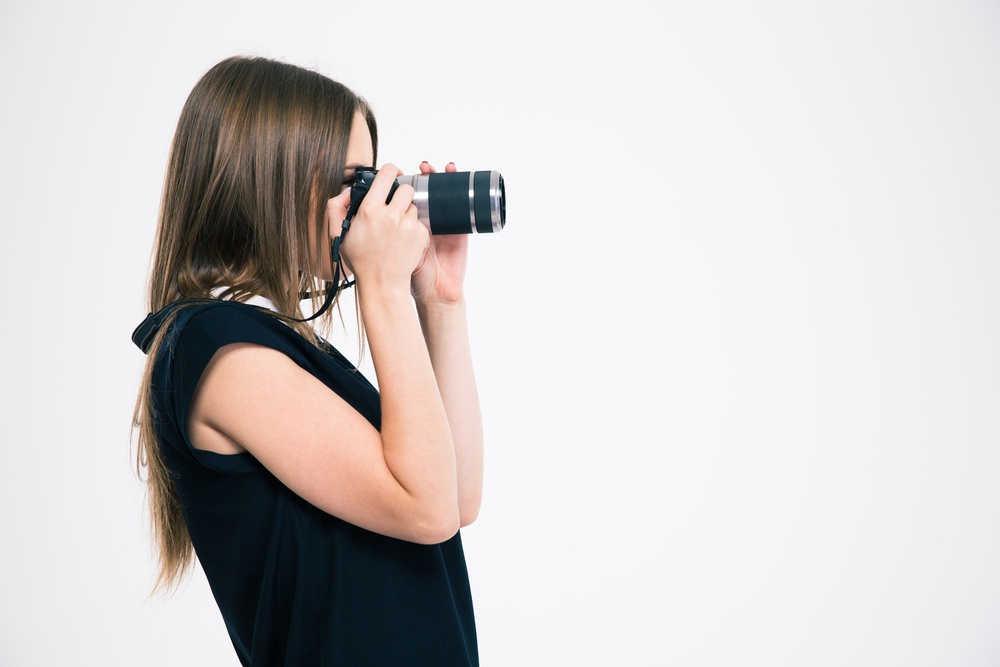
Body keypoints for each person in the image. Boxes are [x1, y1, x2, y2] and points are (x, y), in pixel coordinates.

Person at [131, 55, 483, 666]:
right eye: (353, 181)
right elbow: (426, 508)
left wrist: (440, 301)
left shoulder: (289, 348)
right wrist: (382, 286)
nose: (370, 202)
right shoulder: (212, 347)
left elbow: (456, 501)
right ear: (269, 180)